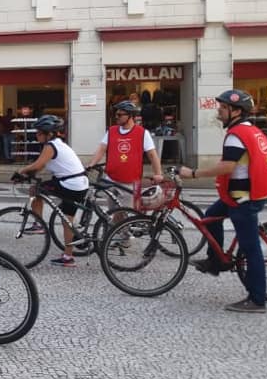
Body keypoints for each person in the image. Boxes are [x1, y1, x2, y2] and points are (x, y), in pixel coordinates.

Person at [179, 89, 267, 313]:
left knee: (250, 249)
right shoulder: (249, 130)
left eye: (223, 108)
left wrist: (193, 173)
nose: (219, 112)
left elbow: (228, 166)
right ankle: (216, 261)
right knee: (210, 217)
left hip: (244, 198)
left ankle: (257, 300)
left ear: (235, 111)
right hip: (240, 195)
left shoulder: (236, 134)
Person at [14, 115, 90, 267]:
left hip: (70, 184)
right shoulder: (57, 144)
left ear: (49, 134)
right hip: (77, 183)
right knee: (66, 220)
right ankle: (68, 257)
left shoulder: (50, 146)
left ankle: (38, 225)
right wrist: (30, 174)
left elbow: (38, 164)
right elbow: (41, 167)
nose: (37, 135)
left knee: (36, 190)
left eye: (40, 133)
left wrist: (20, 172)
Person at [86, 101, 164, 201]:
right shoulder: (112, 131)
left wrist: (158, 174)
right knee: (114, 211)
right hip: (112, 180)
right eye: (115, 114)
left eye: (119, 115)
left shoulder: (142, 133)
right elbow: (101, 149)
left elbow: (152, 155)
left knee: (127, 213)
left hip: (130, 183)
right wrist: (91, 165)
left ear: (130, 116)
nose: (116, 117)